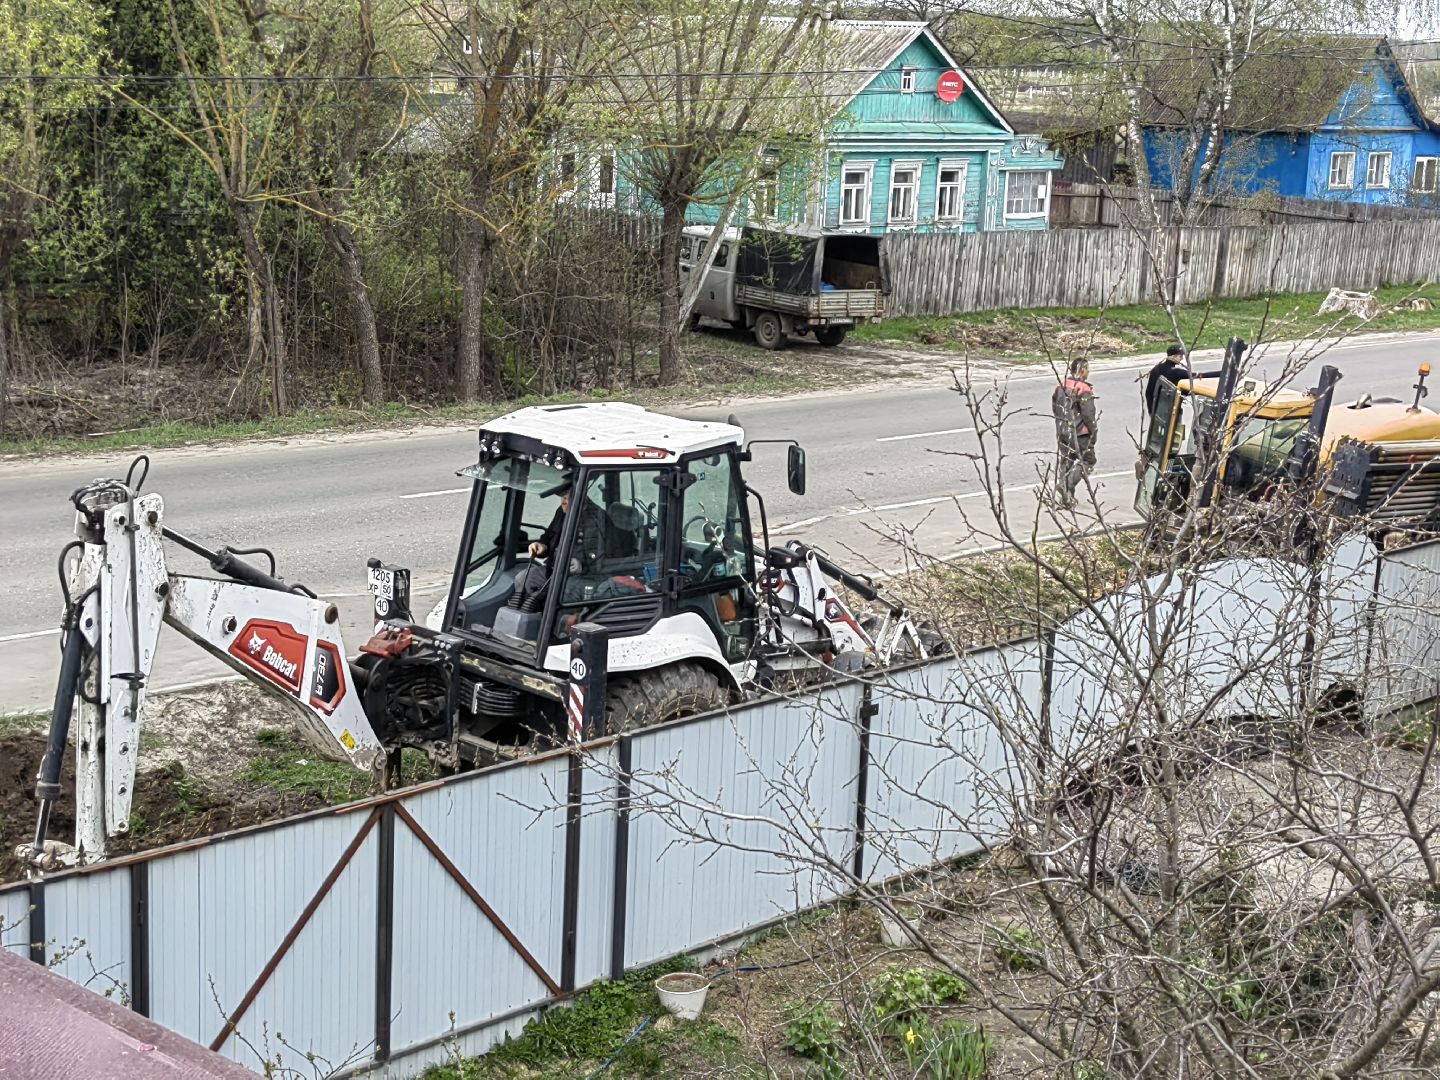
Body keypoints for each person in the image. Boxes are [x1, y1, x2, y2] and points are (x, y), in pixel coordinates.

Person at [1052, 358, 1098, 509]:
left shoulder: (1061, 386)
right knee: (1088, 460)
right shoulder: (1083, 389)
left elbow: (1055, 407)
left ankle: (1067, 495)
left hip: (1062, 430)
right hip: (1079, 433)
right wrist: (1093, 432)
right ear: (1083, 370)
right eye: (1088, 369)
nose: (1089, 372)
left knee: (1067, 459)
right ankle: (1066, 485)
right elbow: (1088, 414)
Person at [1144, 343, 1193, 412]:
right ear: (1173, 357)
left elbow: (1148, 392)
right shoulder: (1175, 372)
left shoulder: (1156, 368)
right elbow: (1197, 376)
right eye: (1180, 356)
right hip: (1170, 411)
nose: (1182, 358)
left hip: (1157, 410)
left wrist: (1151, 411)